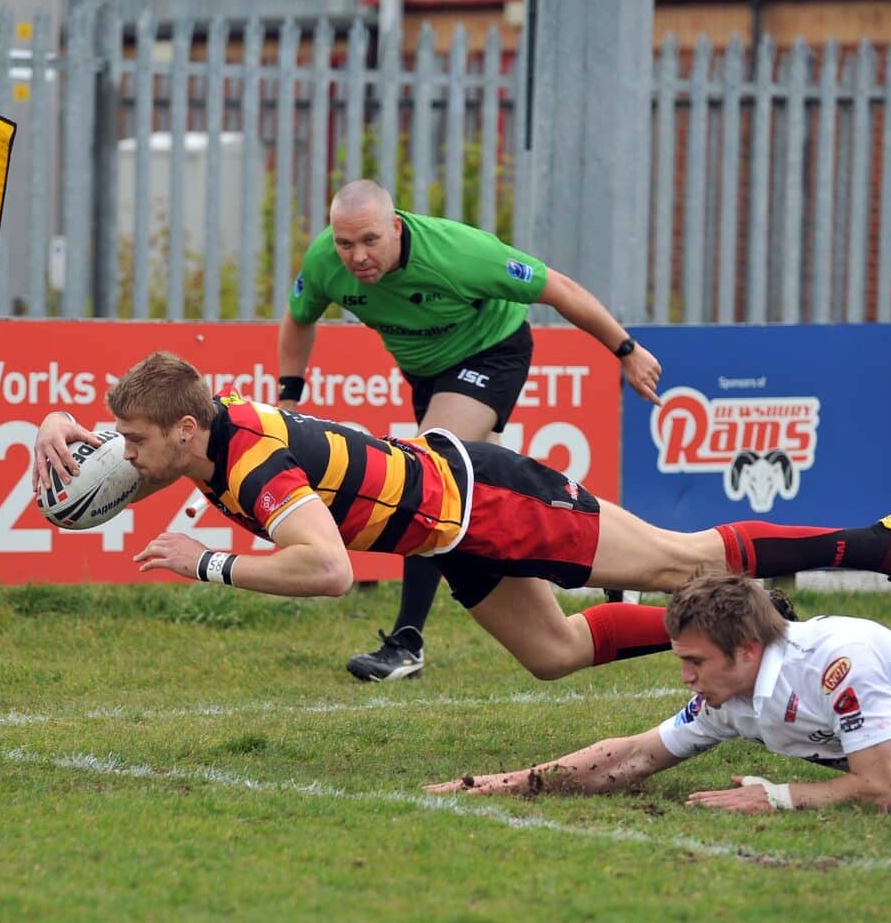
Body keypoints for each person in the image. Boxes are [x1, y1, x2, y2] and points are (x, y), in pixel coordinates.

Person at [33, 351, 891, 686]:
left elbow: (327, 571)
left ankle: (886, 544)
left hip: (493, 499)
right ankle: (787, 632)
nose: (130, 458)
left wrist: (208, 566)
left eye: (133, 441)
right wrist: (58, 426)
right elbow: (145, 442)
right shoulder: (203, 426)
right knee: (554, 653)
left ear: (186, 429)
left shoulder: (252, 463)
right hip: (448, 530)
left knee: (685, 562)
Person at [277, 179, 663, 682]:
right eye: (345, 243)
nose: (357, 257)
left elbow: (560, 290)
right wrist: (287, 398)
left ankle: (406, 642)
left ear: (396, 228)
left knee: (426, 478)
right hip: (427, 374)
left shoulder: (459, 254)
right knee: (493, 505)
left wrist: (627, 352)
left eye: (370, 241)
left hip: (492, 352)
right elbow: (298, 319)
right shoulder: (325, 262)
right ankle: (620, 568)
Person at [428, 571, 891, 810]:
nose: (684, 676)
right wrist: (504, 782)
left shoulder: (836, 662)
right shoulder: (735, 695)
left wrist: (778, 797)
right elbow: (632, 756)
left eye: (694, 660)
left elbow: (887, 789)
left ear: (746, 648)